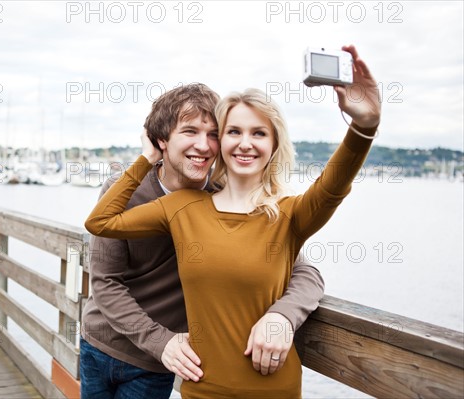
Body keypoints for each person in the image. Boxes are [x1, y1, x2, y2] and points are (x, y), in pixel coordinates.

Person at [85, 45, 380, 398]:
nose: (204, 145)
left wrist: (283, 316)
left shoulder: (273, 211)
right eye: (191, 132)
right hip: (107, 342)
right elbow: (103, 260)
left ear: (273, 145)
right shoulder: (162, 201)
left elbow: (315, 233)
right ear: (162, 139)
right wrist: (146, 159)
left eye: (213, 133)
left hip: (169, 360)